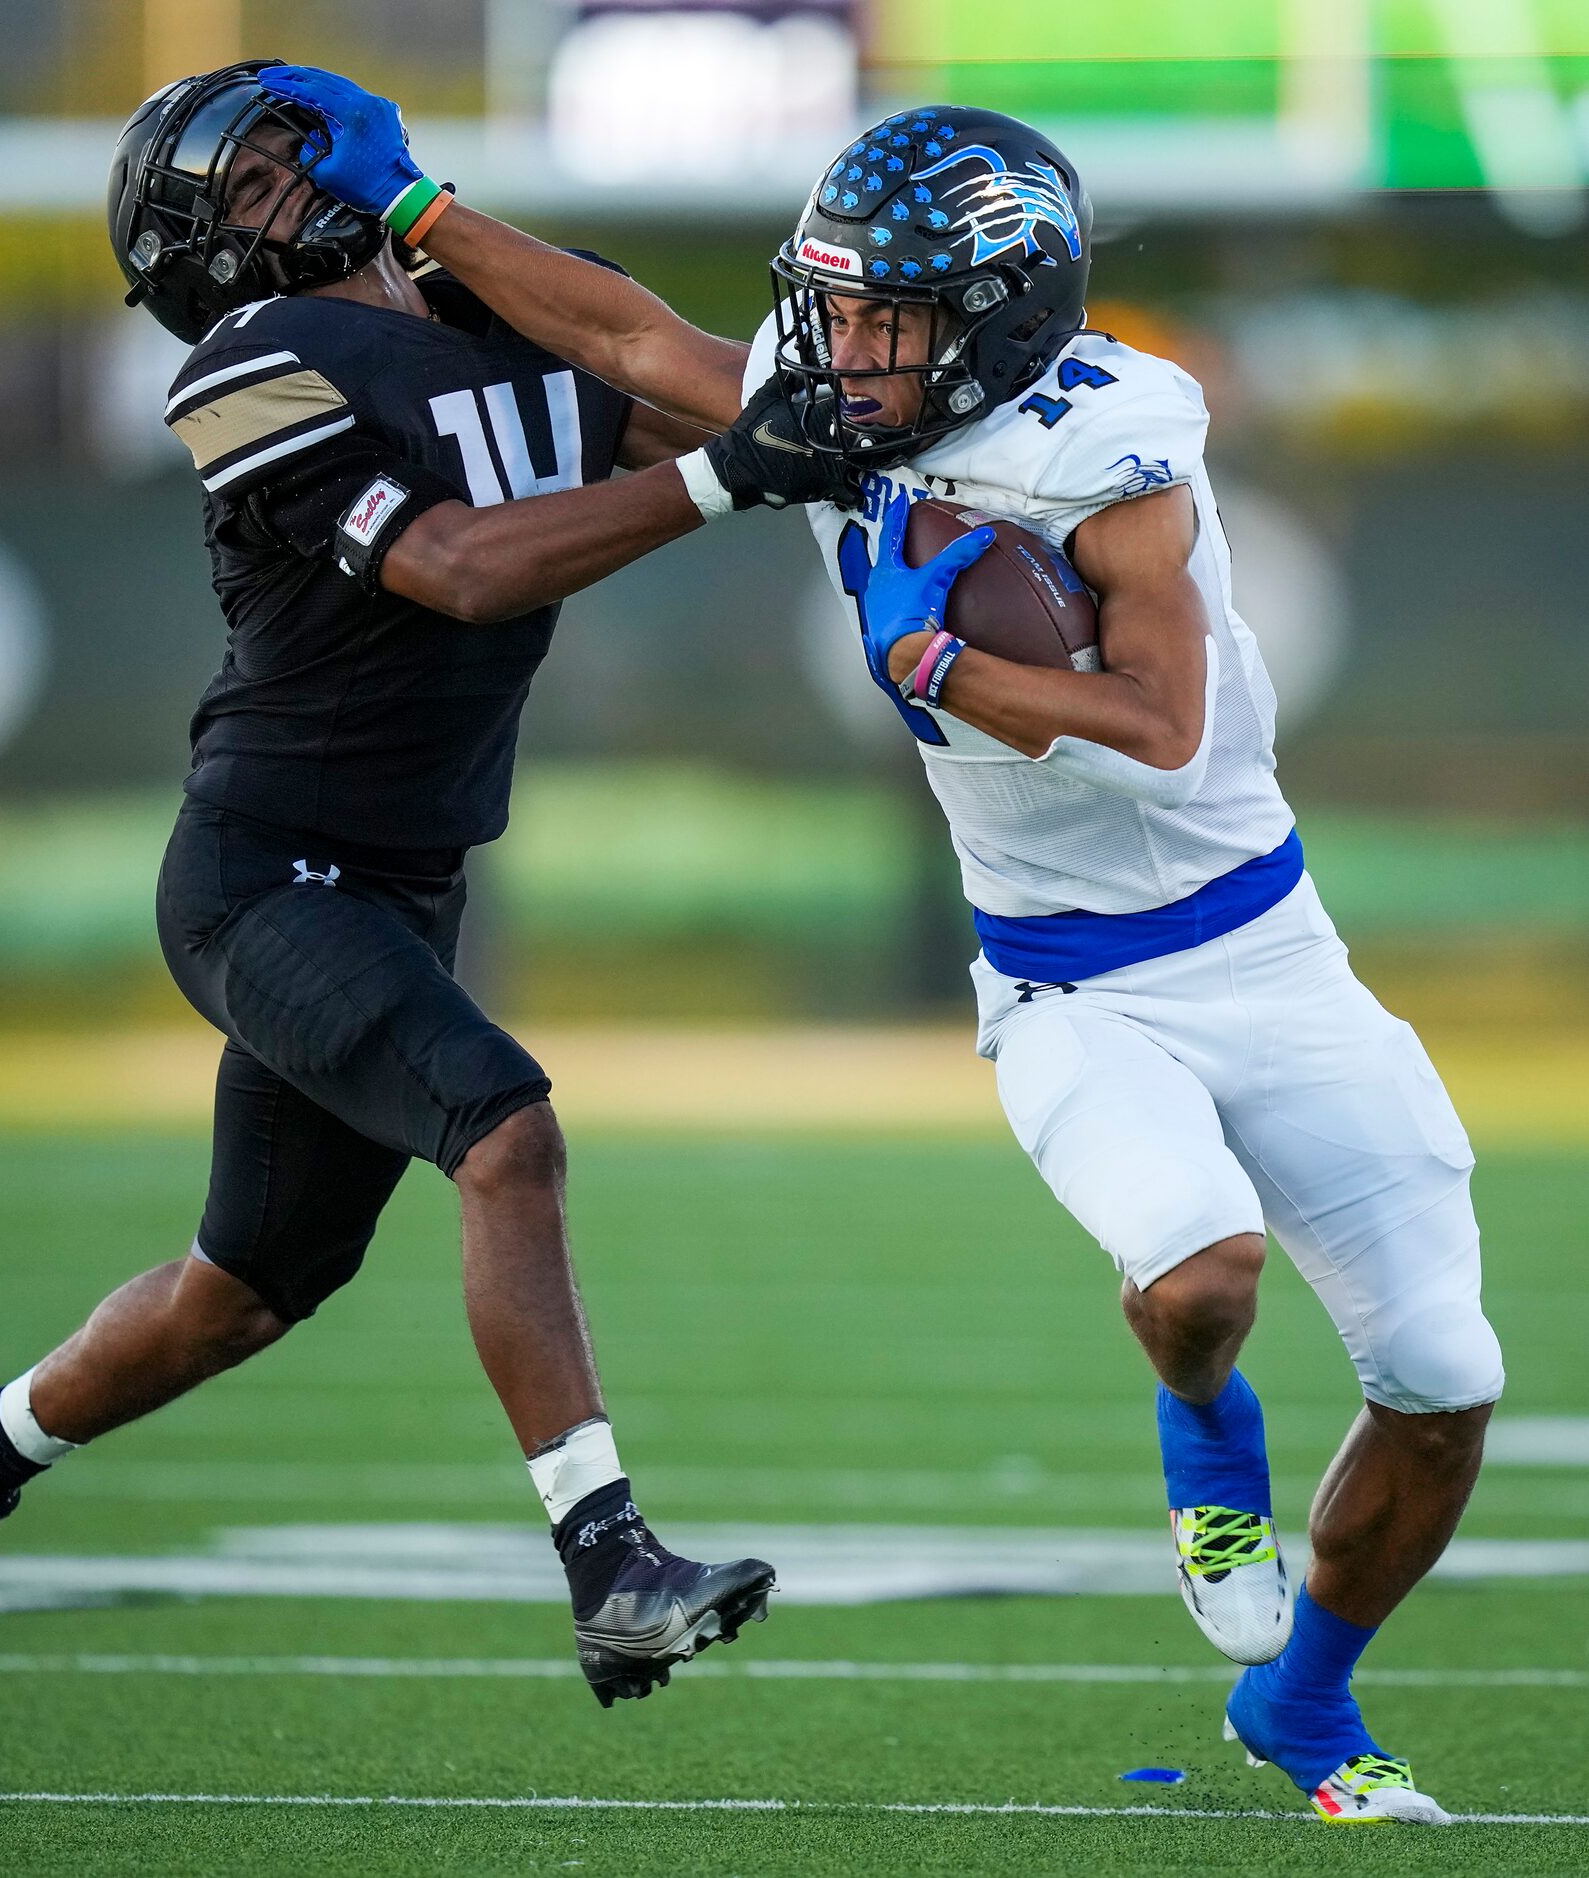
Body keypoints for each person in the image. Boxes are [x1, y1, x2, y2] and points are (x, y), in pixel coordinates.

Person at [271, 70, 1504, 1822]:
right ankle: (1208, 1437)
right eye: (833, 303)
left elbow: (1156, 719)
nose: (841, 344)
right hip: (1066, 978)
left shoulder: (1117, 436)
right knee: (1200, 1274)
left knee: (1445, 1377)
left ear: (998, 317)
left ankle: (1301, 1705)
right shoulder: (851, 406)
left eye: (884, 311)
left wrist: (937, 668)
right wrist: (418, 215)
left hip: (1267, 951)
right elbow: (627, 339)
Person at [0, 60, 849, 1708]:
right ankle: (608, 1562)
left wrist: (806, 438)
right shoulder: (247, 363)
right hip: (261, 875)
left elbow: (707, 385)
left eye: (253, 178)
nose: (232, 227)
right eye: (219, 206)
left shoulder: (503, 316)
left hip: (401, 876)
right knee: (506, 1129)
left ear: (351, 151)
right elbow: (463, 570)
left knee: (248, 1289)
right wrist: (716, 476)